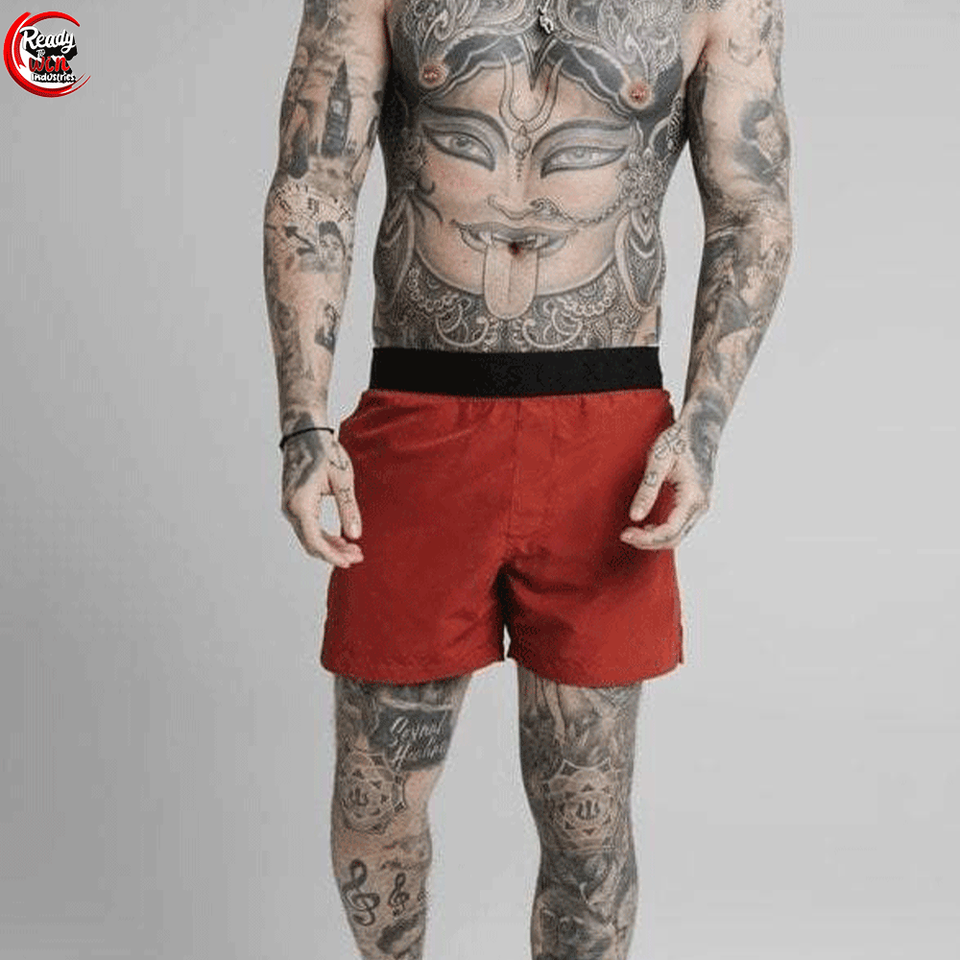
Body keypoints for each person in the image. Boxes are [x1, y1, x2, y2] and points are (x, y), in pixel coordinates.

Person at [262, 0, 792, 957]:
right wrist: (303, 422)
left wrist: (704, 426)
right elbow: (315, 184)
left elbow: (751, 208)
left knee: (586, 818)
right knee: (375, 803)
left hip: (608, 436)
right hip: (420, 415)